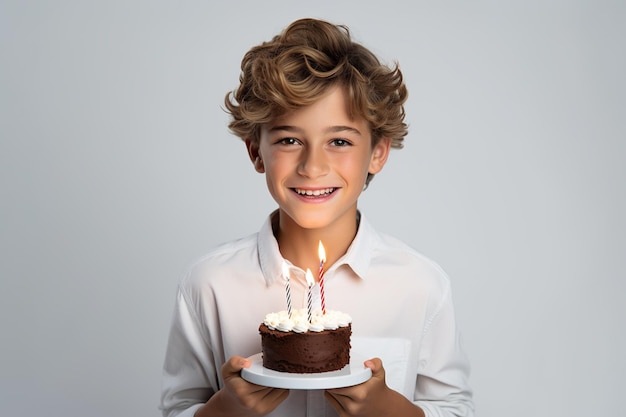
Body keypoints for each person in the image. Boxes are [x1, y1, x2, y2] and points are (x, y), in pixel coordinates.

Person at [160, 17, 473, 417]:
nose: (312, 166)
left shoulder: (421, 285)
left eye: (339, 141)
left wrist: (391, 411)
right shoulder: (209, 285)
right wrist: (223, 410)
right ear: (256, 152)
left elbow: (455, 407)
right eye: (289, 140)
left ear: (378, 152)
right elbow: (178, 408)